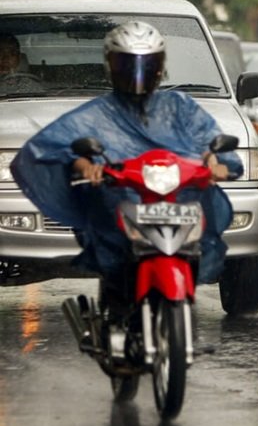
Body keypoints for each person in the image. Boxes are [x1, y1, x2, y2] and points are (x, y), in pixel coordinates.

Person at [10, 21, 242, 301]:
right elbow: (58, 146)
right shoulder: (98, 113)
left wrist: (214, 161)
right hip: (121, 201)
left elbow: (207, 138)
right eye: (127, 65)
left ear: (160, 66)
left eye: (147, 65)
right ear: (111, 67)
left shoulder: (180, 107)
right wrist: (86, 167)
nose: (138, 75)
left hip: (176, 199)